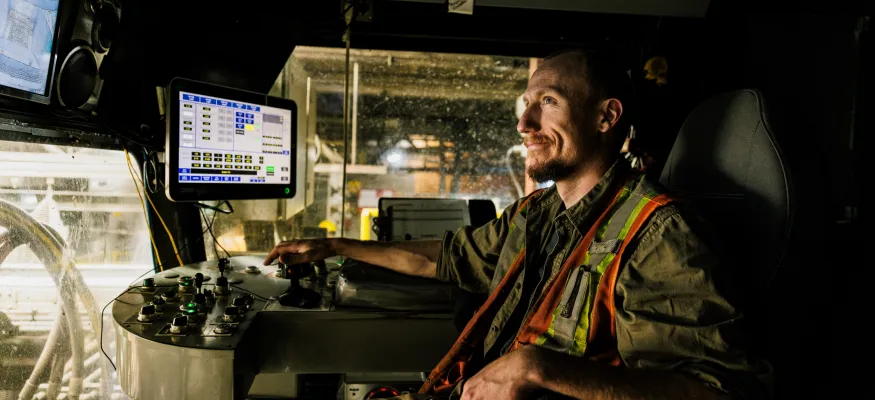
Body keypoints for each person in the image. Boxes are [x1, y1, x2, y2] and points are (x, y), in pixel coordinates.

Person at [264, 49, 770, 399]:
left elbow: (714, 392)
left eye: (548, 102)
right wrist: (334, 246)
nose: (525, 124)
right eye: (526, 105)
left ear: (605, 117)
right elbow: (449, 256)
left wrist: (538, 367)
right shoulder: (539, 214)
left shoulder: (659, 235)